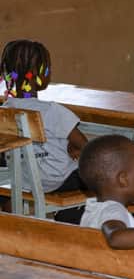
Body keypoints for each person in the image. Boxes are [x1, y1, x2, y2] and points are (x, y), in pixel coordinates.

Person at [1, 39, 88, 223]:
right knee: (96, 173)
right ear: (43, 73)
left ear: (8, 73)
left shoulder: (5, 111)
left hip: (24, 180)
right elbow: (85, 146)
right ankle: (71, 223)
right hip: (59, 180)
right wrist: (77, 148)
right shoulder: (52, 111)